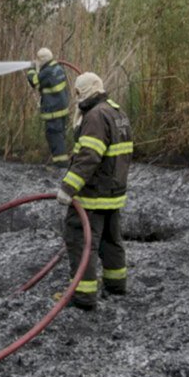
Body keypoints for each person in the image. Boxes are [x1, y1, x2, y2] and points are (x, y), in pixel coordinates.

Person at [56, 72, 133, 310]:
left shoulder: (95, 117)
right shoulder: (116, 111)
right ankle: (116, 284)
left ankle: (83, 295)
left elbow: (89, 157)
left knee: (81, 241)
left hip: (93, 194)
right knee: (111, 240)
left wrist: (68, 188)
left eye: (78, 93)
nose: (76, 98)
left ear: (84, 92)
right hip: (113, 193)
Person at [25, 48, 70, 167]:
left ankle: (61, 166)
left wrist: (31, 69)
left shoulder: (48, 72)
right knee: (59, 137)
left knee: (54, 138)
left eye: (38, 59)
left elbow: (34, 82)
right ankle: (61, 163)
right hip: (61, 110)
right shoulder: (58, 68)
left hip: (53, 112)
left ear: (42, 60)